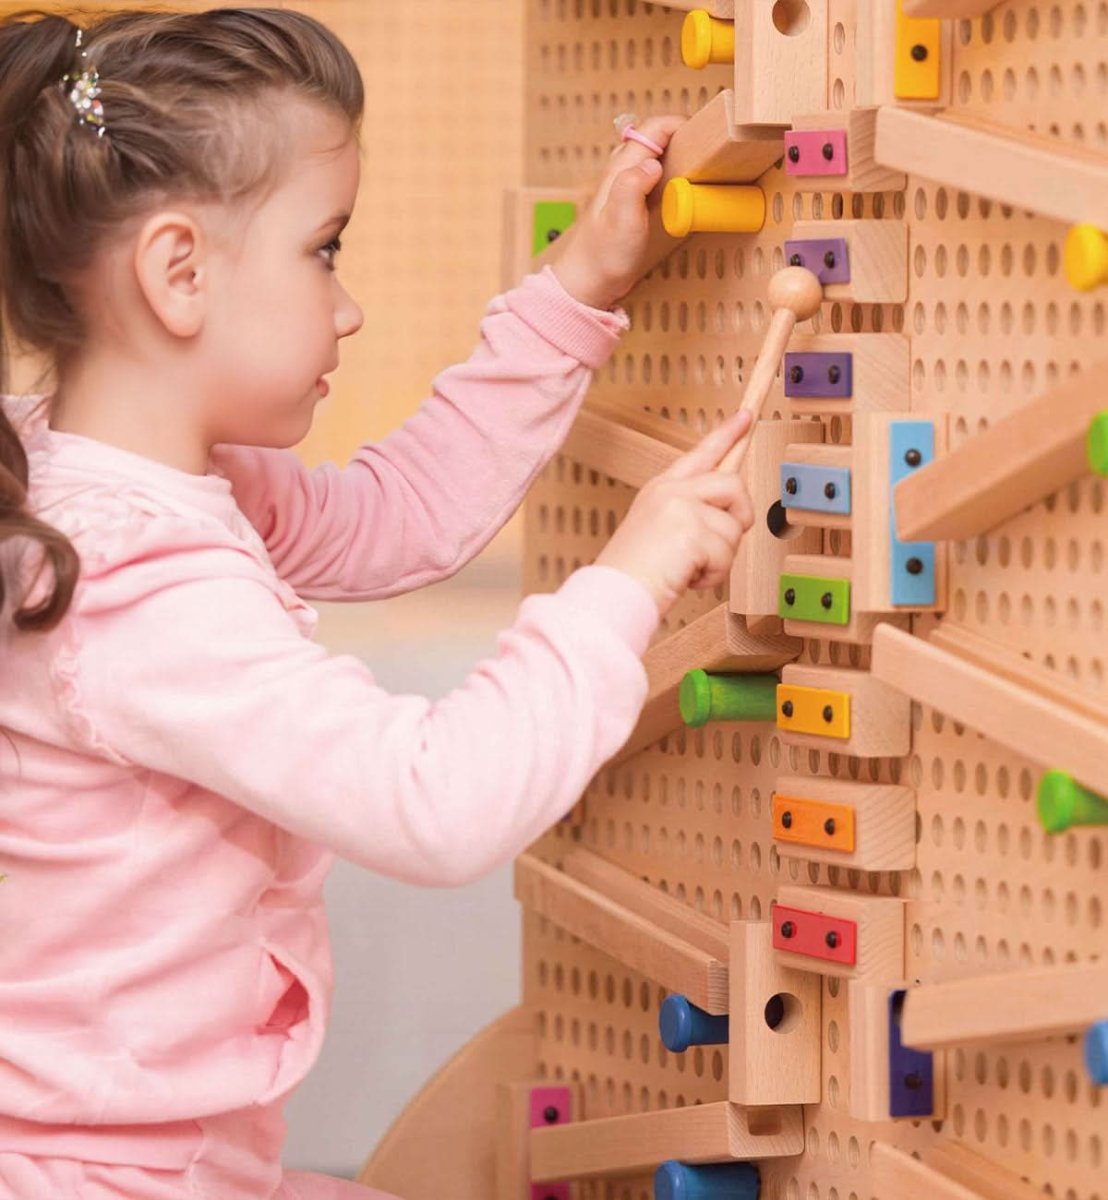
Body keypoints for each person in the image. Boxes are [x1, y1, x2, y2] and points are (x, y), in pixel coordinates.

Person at [0, 7, 755, 1198]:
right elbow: (434, 802)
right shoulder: (132, 587)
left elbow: (400, 514)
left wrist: (576, 288)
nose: (347, 307)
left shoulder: (99, 478)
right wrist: (632, 577)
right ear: (178, 273)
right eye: (325, 249)